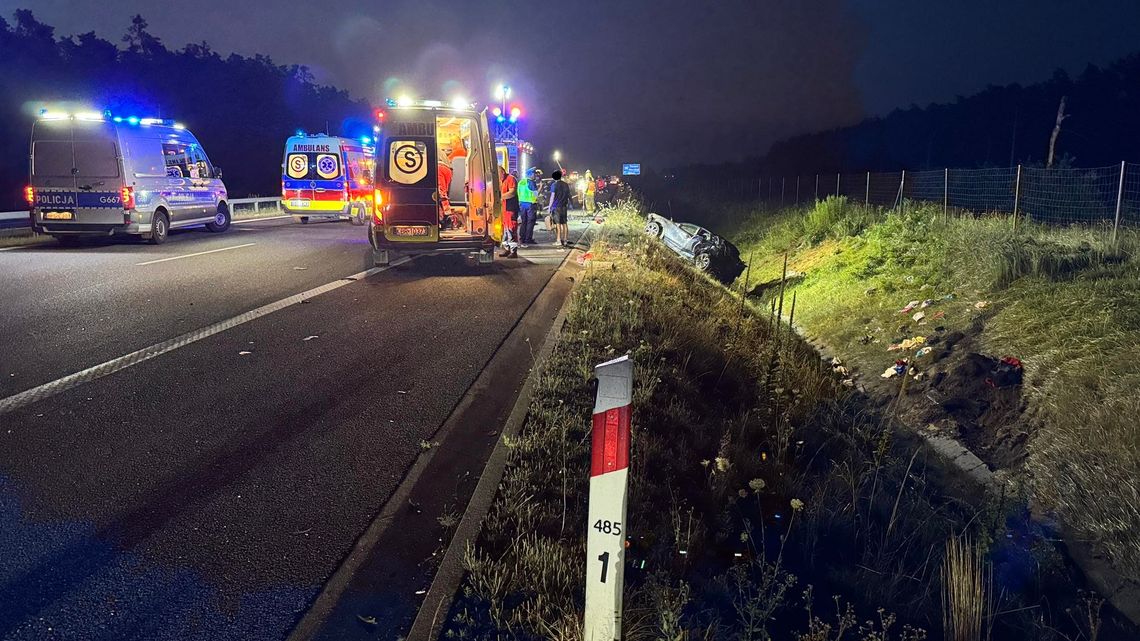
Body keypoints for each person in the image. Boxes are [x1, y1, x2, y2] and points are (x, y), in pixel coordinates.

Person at [498, 166, 519, 258]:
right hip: (504, 209)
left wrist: (499, 197)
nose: (498, 177)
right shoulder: (501, 180)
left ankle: (513, 251)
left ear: (502, 172)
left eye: (499, 174)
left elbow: (512, 192)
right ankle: (507, 249)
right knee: (505, 231)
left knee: (511, 229)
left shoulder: (511, 179)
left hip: (511, 208)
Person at [547, 169, 571, 249]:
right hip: (564, 206)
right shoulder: (566, 184)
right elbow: (568, 195)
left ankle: (558, 240)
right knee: (565, 223)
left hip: (556, 206)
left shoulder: (554, 185)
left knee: (558, 224)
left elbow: (552, 197)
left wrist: (549, 207)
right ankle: (565, 240)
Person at [517, 168, 538, 246]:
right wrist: (541, 187)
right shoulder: (531, 182)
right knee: (530, 222)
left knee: (523, 222)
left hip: (522, 204)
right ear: (531, 174)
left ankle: (522, 238)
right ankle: (528, 239)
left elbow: (518, 192)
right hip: (530, 204)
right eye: (534, 174)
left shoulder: (521, 182)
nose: (535, 175)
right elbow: (536, 194)